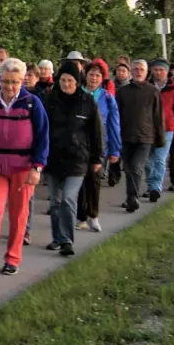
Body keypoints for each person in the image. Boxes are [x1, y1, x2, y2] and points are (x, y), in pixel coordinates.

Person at [0, 58, 47, 279]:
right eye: (6, 81)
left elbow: (42, 136)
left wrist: (37, 167)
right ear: (0, 79)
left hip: (22, 168)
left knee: (18, 215)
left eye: (15, 82)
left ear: (22, 81)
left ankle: (12, 258)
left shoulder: (32, 103)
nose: (10, 86)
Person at [43, 66, 104, 258]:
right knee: (55, 201)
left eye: (70, 81)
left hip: (78, 158)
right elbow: (41, 128)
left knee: (68, 199)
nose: (66, 84)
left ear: (77, 82)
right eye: (63, 80)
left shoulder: (87, 102)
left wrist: (98, 157)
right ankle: (57, 238)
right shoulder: (49, 100)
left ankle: (67, 240)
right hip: (53, 157)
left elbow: (96, 131)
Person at [76, 61, 120, 232]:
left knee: (94, 181)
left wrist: (115, 150)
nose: (93, 78)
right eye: (91, 74)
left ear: (102, 78)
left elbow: (114, 125)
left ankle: (93, 215)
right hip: (78, 145)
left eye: (97, 75)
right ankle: (81, 217)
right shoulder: (77, 94)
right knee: (79, 180)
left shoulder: (107, 98)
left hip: (99, 146)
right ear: (85, 76)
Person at [115, 59, 164, 213]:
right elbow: (116, 115)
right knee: (128, 168)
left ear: (146, 72)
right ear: (131, 72)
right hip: (126, 136)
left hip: (145, 137)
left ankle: (132, 197)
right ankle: (130, 197)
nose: (138, 72)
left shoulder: (153, 91)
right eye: (135, 69)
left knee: (136, 167)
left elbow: (158, 116)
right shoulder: (122, 91)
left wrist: (160, 139)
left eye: (141, 69)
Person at [142, 60, 174, 203]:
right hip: (148, 128)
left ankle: (156, 187)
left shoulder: (173, 88)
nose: (158, 72)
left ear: (167, 72)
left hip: (166, 129)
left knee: (160, 159)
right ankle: (150, 185)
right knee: (148, 160)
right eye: (156, 70)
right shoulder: (146, 87)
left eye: (161, 70)